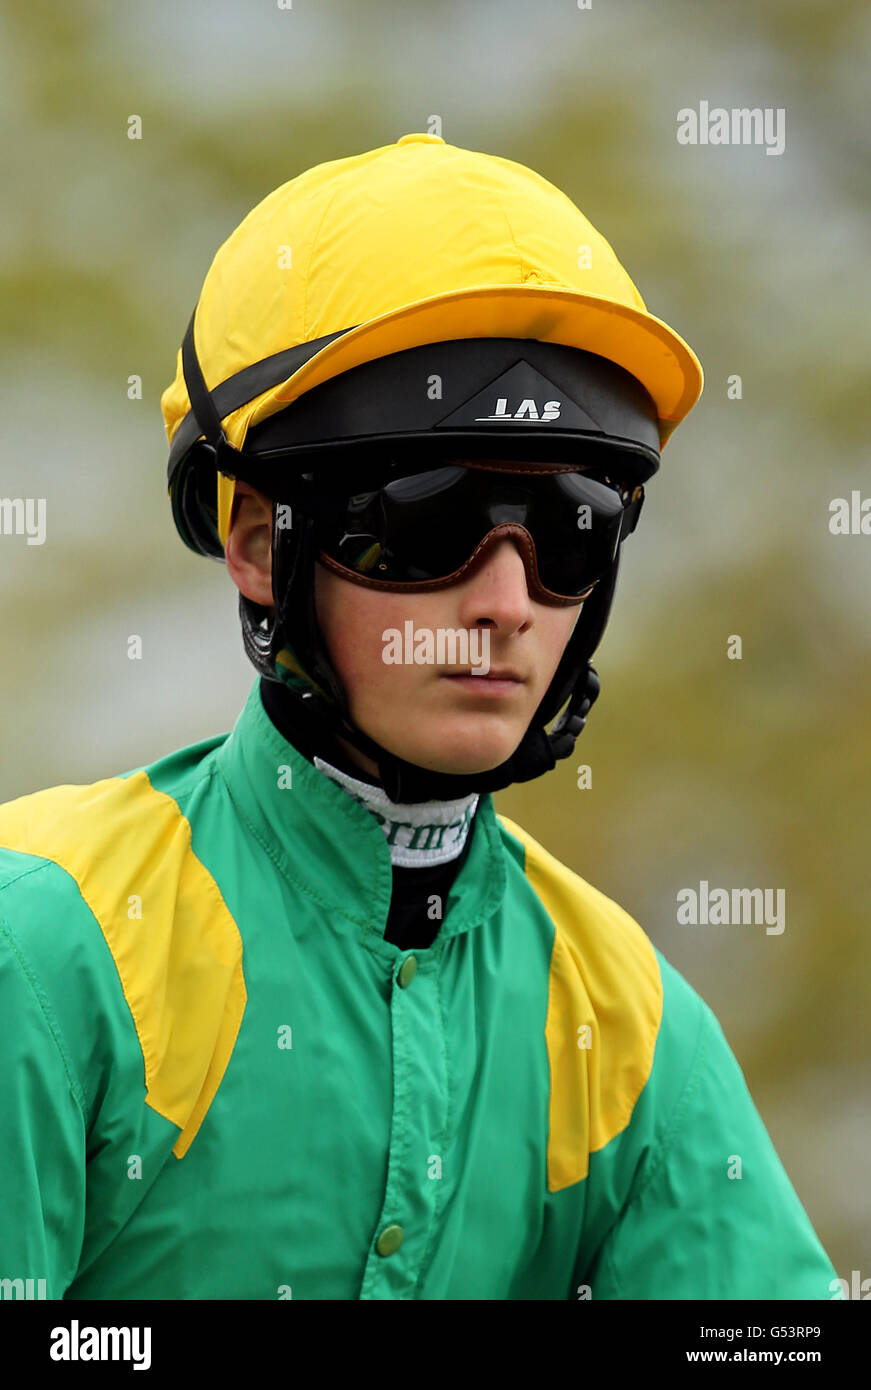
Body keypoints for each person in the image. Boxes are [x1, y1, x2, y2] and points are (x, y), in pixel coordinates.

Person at [0, 133, 837, 1300]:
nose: (504, 604)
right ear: (257, 544)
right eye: (426, 522)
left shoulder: (627, 1021)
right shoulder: (42, 945)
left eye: (569, 531)